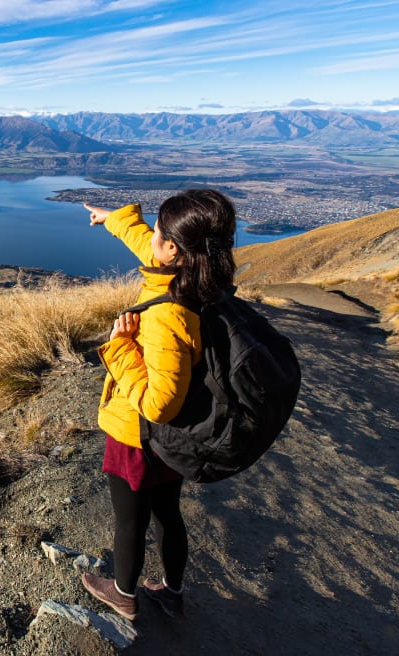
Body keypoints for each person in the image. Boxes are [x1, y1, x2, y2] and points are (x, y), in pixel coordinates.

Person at [79, 189, 237, 621]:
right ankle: (172, 591)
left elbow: (158, 404)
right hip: (176, 437)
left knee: (130, 519)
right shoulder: (199, 281)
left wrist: (121, 347)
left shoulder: (168, 314)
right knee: (167, 511)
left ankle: (124, 594)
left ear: (172, 249)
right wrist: (115, 219)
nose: (152, 238)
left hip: (139, 434)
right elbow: (145, 241)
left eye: (160, 234)